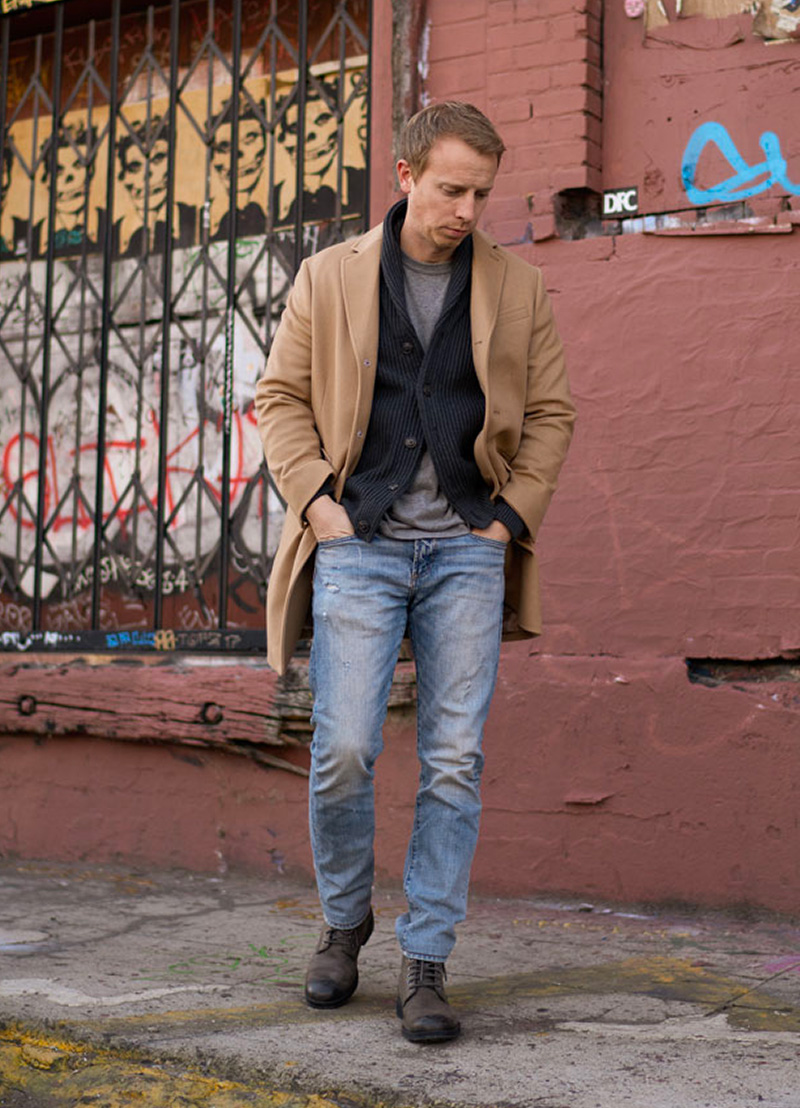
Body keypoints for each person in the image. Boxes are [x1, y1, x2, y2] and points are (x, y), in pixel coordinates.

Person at [254, 101, 575, 1044]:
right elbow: (279, 397)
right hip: (362, 542)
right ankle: (344, 924)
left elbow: (552, 413)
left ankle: (426, 961)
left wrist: (510, 520)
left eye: (480, 192)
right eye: (449, 189)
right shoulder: (331, 275)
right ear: (404, 176)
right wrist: (319, 502)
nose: (467, 208)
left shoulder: (518, 287)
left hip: (465, 551)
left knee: (453, 762)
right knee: (345, 748)